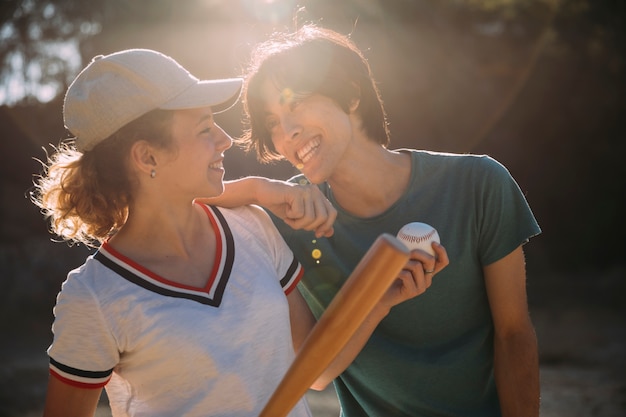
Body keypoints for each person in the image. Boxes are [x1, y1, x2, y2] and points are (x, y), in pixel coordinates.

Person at [31, 48, 435, 417]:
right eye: (204, 128)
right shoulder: (94, 296)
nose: (225, 140)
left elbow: (316, 368)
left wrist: (382, 299)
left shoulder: (252, 227)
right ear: (147, 156)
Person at [202, 25, 541, 416]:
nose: (287, 133)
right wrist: (261, 190)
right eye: (273, 121)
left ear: (350, 94)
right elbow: (318, 373)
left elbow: (514, 333)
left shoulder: (478, 184)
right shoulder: (286, 219)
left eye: (295, 103)